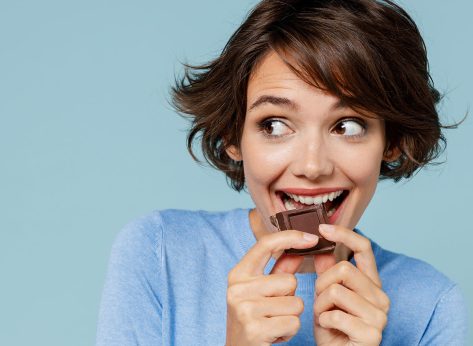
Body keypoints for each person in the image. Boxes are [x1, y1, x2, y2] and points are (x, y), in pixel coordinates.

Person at [96, 0, 469, 345]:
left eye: (348, 126)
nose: (312, 167)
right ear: (232, 135)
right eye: (274, 125)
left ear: (391, 140)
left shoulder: (431, 306)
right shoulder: (159, 252)